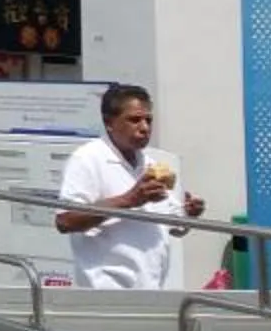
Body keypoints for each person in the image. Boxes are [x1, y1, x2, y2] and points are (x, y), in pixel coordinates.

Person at [55, 83, 204, 289]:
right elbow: (65, 220)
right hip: (108, 291)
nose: (144, 127)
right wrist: (129, 200)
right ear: (109, 123)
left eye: (148, 120)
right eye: (134, 120)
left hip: (152, 288)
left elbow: (173, 228)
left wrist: (188, 214)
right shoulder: (87, 159)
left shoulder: (150, 164)